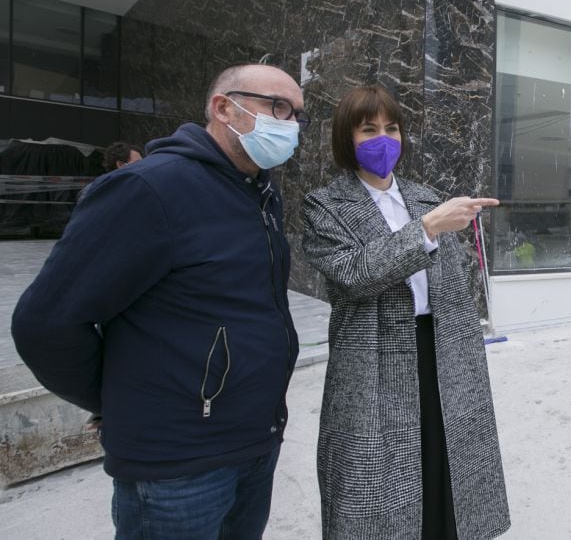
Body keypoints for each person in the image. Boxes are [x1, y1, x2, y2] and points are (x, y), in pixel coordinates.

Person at [11, 64, 306, 539]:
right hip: (177, 467)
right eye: (276, 107)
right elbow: (45, 323)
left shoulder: (259, 193)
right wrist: (117, 397)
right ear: (223, 107)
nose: (289, 124)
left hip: (254, 443)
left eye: (297, 115)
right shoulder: (149, 189)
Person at [302, 86, 510, 539]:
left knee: (445, 464)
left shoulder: (422, 196)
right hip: (374, 357)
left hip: (442, 351)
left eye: (391, 128)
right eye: (369, 129)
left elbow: (451, 283)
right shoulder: (325, 206)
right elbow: (354, 273)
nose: (383, 139)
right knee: (379, 483)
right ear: (347, 138)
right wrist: (430, 227)